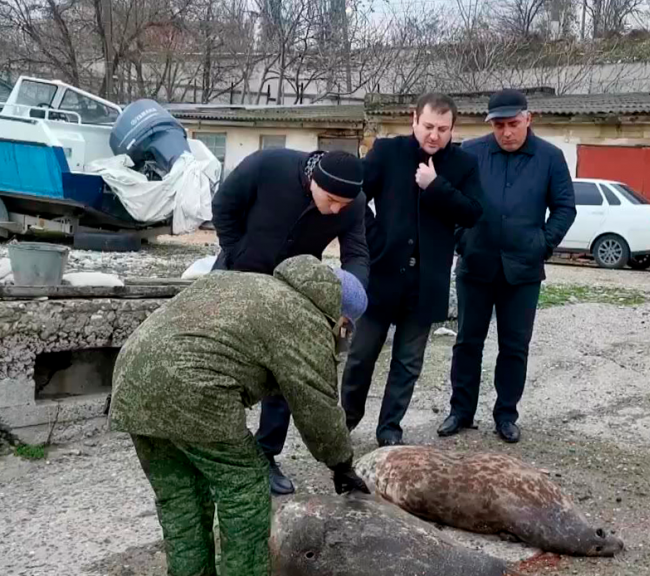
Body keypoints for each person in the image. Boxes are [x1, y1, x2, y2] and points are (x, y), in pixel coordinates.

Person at [108, 255, 371, 576]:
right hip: (192, 385)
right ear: (342, 319)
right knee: (244, 490)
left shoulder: (257, 284)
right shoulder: (305, 318)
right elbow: (318, 404)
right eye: (346, 329)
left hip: (131, 378)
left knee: (181, 498)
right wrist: (341, 463)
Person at [211, 147, 370, 496]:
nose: (337, 210)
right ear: (314, 181)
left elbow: (357, 253)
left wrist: (350, 298)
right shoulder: (268, 165)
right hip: (237, 275)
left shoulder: (353, 204)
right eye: (331, 200)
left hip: (292, 289)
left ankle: (265, 453)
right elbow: (224, 205)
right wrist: (237, 252)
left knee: (288, 370)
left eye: (344, 204)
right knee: (219, 363)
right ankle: (216, 452)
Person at [340, 93, 484, 447]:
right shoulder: (388, 151)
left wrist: (436, 186)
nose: (434, 135)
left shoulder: (463, 164)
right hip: (382, 273)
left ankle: (389, 428)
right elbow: (354, 196)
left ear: (453, 129)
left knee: (407, 363)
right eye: (428, 126)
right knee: (360, 357)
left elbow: (472, 212)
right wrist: (374, 240)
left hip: (427, 281)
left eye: (443, 129)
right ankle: (345, 423)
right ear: (414, 120)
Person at [437, 88, 576, 444]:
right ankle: (460, 411)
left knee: (514, 347)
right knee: (467, 342)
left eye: (513, 124)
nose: (507, 132)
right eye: (499, 126)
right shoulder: (471, 153)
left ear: (528, 119)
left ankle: (506, 415)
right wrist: (462, 239)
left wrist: (542, 244)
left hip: (523, 270)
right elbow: (450, 200)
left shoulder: (550, 157)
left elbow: (565, 208)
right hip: (475, 264)